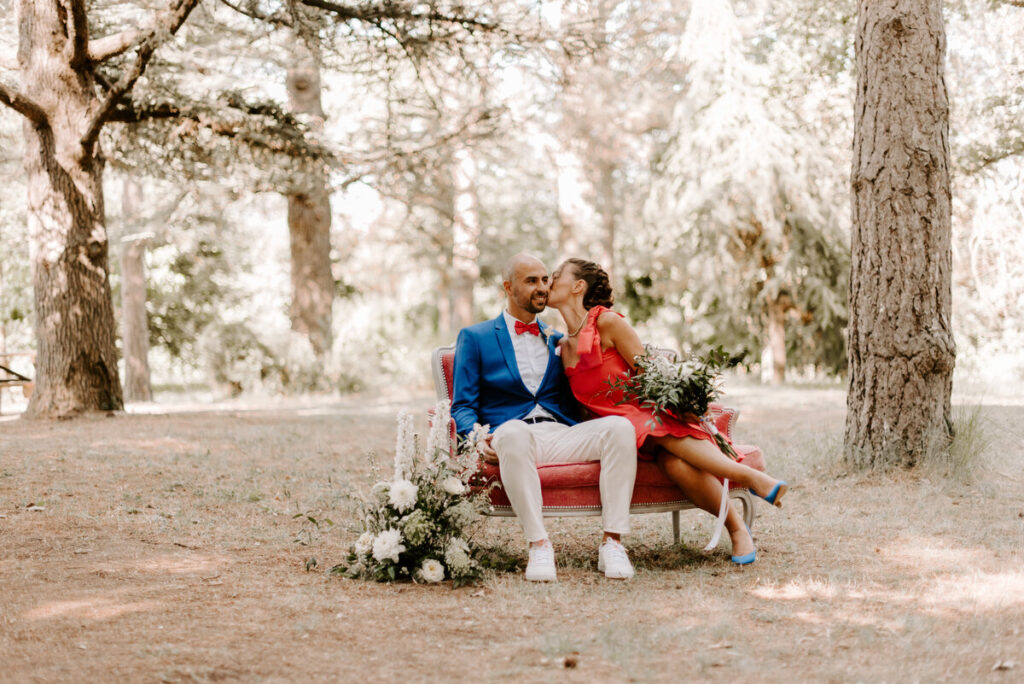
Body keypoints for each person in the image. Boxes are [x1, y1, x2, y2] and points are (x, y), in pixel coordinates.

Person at [547, 258, 788, 565]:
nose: (549, 282)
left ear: (578, 286)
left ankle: (739, 524)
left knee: (675, 464)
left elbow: (651, 371)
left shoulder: (607, 323)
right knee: (654, 446)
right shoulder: (561, 344)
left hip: (646, 414)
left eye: (556, 276)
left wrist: (687, 404)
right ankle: (750, 485)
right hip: (612, 433)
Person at [451, 253, 639, 581]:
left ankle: (612, 544)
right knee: (511, 432)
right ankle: (539, 545)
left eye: (544, 279)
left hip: (560, 433)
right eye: (531, 281)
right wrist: (478, 437)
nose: (542, 287)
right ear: (508, 287)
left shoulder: (558, 339)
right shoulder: (475, 337)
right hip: (512, 439)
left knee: (620, 428)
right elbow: (462, 406)